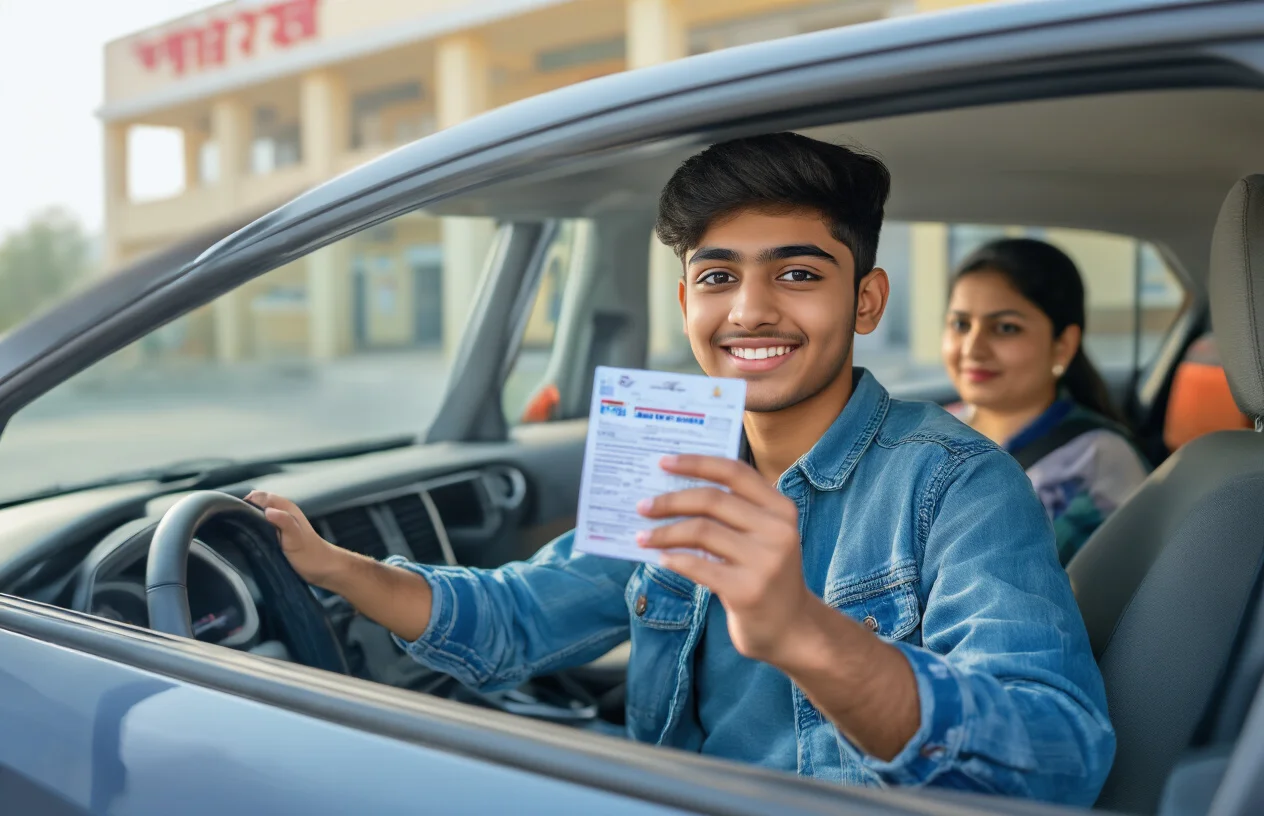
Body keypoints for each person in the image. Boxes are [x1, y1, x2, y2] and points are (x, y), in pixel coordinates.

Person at [247, 133, 1114, 805]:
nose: (750, 311)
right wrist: (336, 568)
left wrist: (802, 632)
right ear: (685, 301)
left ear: (867, 299)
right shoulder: (678, 457)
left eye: (799, 273)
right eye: (717, 276)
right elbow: (521, 617)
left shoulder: (956, 482)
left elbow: (1058, 760)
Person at [942, 238, 1150, 565]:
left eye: (1006, 328)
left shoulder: (1099, 461)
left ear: (1062, 345)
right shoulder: (934, 428)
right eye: (961, 324)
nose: (972, 349)